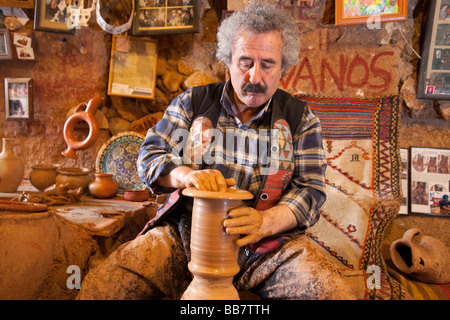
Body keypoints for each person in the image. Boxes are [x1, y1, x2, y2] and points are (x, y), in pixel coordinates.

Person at [77, 1, 354, 300]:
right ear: (228, 62)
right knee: (106, 286)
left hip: (269, 247)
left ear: (283, 68)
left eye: (268, 64)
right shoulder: (191, 104)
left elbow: (311, 190)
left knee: (332, 293)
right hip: (186, 238)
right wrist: (185, 176)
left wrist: (266, 222)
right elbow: (149, 156)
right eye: (245, 62)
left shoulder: (301, 119)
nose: (254, 77)